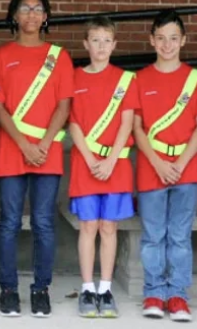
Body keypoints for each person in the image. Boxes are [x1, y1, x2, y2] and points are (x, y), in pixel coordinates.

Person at [0, 0, 73, 318]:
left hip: (47, 151)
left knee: (43, 223)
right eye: (24, 8)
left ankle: (41, 289)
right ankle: (8, 289)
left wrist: (42, 144)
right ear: (14, 15)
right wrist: (24, 144)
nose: (31, 14)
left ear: (46, 16)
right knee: (9, 222)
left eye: (38, 8)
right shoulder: (0, 56)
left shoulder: (60, 56)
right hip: (13, 150)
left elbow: (64, 104)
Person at [133, 10, 197, 322]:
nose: (167, 45)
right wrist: (158, 163)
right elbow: (137, 128)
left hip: (186, 167)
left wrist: (177, 162)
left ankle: (177, 295)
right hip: (152, 166)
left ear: (183, 41)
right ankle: (153, 292)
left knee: (179, 234)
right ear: (152, 40)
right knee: (153, 234)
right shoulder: (140, 78)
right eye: (161, 38)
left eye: (173, 39)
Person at [67, 17, 138, 318]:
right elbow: (72, 124)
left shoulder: (126, 80)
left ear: (114, 45)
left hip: (116, 164)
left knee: (109, 227)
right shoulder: (74, 77)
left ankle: (105, 288)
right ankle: (87, 288)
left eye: (106, 40)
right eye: (94, 40)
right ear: (86, 44)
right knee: (88, 226)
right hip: (86, 163)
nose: (100, 46)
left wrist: (110, 160)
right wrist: (92, 158)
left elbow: (127, 122)